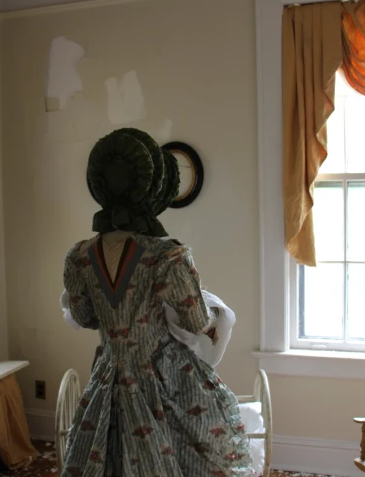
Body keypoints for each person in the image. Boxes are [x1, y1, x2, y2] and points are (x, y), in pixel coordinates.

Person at [59, 128, 254, 477]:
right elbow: (197, 322)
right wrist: (212, 310)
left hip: (108, 374)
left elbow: (83, 315)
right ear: (149, 190)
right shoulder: (167, 254)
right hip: (163, 376)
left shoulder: (79, 256)